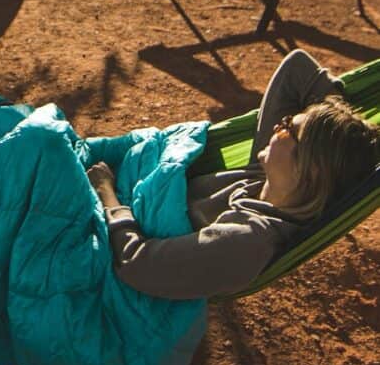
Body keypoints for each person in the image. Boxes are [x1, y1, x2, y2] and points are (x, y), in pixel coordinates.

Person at [86, 49, 379, 299]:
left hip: (105, 230)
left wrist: (107, 194)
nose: (277, 126)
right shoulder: (265, 178)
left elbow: (140, 265)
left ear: (309, 168)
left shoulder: (246, 241)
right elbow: (296, 68)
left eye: (288, 127)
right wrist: (337, 125)